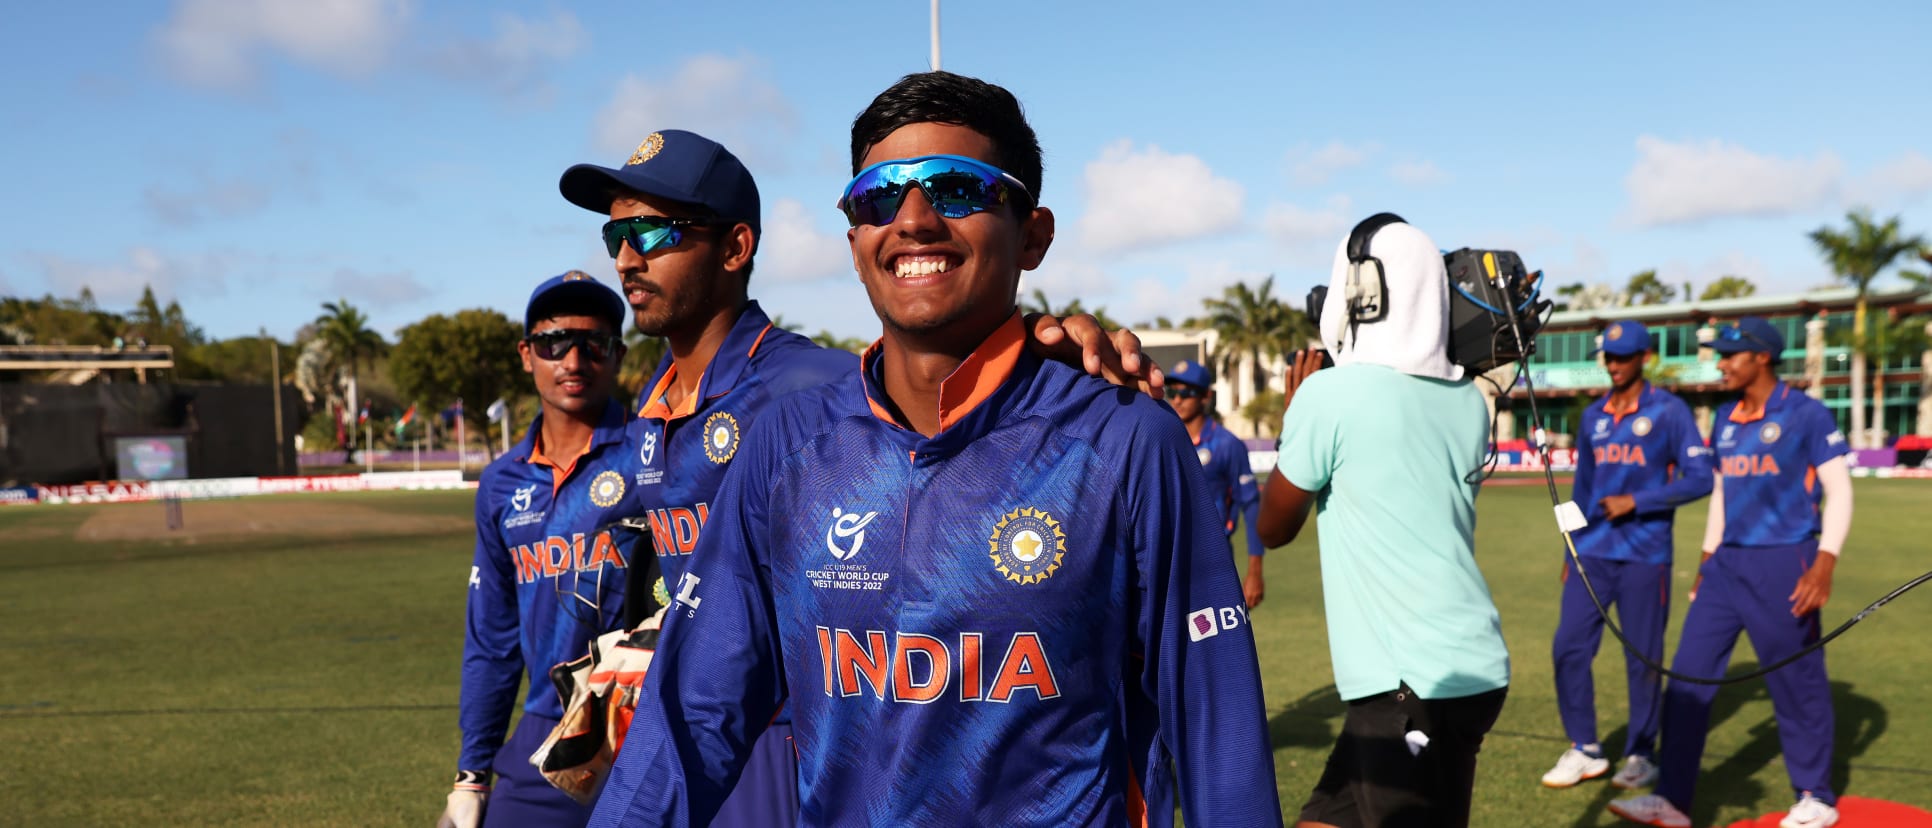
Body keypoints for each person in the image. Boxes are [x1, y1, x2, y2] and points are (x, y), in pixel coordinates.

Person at [587, 70, 1281, 828]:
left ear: (1034, 235)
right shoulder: (786, 447)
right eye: (879, 197)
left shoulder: (1124, 441)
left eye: (956, 188)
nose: (913, 220)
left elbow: (1218, 733)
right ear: (855, 241)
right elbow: (691, 718)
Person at [1257, 215, 1510, 828]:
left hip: (1409, 684)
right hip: (1461, 669)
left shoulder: (1331, 396)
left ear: (1360, 292)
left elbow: (1273, 526)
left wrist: (1300, 412)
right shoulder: (1468, 401)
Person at [1608, 316, 1852, 828]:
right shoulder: (1723, 418)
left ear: (1761, 356)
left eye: (1729, 355)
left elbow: (1841, 490)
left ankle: (1815, 796)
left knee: (1796, 683)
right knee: (1689, 680)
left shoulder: (1805, 414)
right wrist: (1705, 560)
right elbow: (1721, 494)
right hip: (1725, 567)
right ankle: (1672, 800)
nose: (1720, 363)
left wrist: (1826, 560)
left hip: (1787, 560)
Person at [442, 271, 641, 828]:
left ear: (618, 355)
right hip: (544, 730)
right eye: (555, 344)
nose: (573, 362)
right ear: (527, 354)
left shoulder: (654, 453)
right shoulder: (502, 483)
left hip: (645, 729)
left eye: (592, 344)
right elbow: (492, 639)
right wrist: (471, 772)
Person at [1542, 321, 1713, 790]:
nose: (1614, 365)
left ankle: (1640, 753)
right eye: (1609, 357)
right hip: (1591, 553)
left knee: (1642, 660)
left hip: (1645, 555)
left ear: (1643, 357)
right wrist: (1569, 547)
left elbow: (1701, 478)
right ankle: (1585, 748)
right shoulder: (1594, 415)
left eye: (1623, 356)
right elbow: (1581, 489)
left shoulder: (1670, 412)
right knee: (1568, 648)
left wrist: (1638, 502)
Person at [1165, 359, 1266, 608]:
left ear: (1206, 396)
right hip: (1167, 561)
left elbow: (1251, 506)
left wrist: (1255, 572)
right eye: (1173, 392)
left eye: (1187, 393)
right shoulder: (1162, 440)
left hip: (1214, 560)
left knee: (1216, 642)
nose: (1178, 400)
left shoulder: (1227, 445)